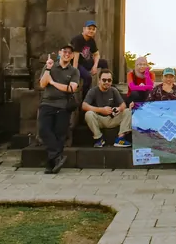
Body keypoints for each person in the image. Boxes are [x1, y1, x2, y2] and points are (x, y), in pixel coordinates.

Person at [38, 43, 80, 174]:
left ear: (72, 56)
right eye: (65, 51)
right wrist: (48, 70)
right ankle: (57, 157)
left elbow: (72, 88)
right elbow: (42, 84)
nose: (67, 54)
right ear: (60, 52)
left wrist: (53, 82)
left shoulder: (74, 71)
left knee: (59, 134)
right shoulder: (49, 66)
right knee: (44, 130)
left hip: (63, 105)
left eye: (70, 53)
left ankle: (51, 165)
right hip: (47, 103)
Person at [82, 70, 131, 148]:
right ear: (99, 80)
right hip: (99, 120)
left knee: (128, 111)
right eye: (104, 80)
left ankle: (120, 139)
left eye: (109, 80)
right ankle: (99, 138)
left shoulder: (113, 90)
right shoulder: (93, 91)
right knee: (88, 114)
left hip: (112, 118)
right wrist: (101, 110)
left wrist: (119, 108)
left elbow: (123, 104)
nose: (107, 82)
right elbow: (84, 106)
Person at [71, 20, 108, 94]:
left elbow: (97, 54)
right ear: (84, 29)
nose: (91, 31)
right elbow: (75, 58)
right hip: (75, 64)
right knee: (88, 78)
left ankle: (105, 83)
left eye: (93, 29)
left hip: (84, 62)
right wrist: (74, 74)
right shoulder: (78, 39)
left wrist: (95, 65)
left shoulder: (91, 40)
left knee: (104, 62)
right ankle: (85, 100)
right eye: (89, 28)